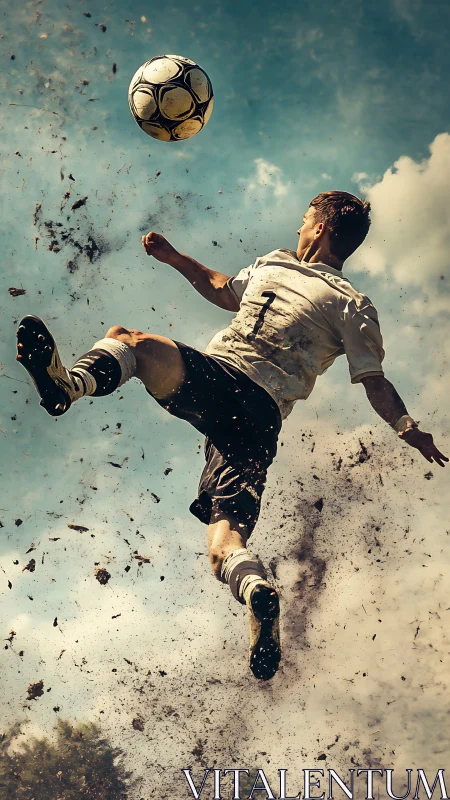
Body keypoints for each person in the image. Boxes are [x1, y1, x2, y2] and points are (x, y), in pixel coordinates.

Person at [16, 191, 448, 682]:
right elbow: (228, 290)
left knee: (129, 341)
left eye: (307, 219)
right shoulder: (347, 302)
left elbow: (224, 292)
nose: (301, 226)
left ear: (322, 228)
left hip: (224, 380)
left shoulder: (336, 295)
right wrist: (407, 429)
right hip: (257, 426)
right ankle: (257, 589)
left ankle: (67, 387)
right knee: (224, 547)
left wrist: (175, 258)